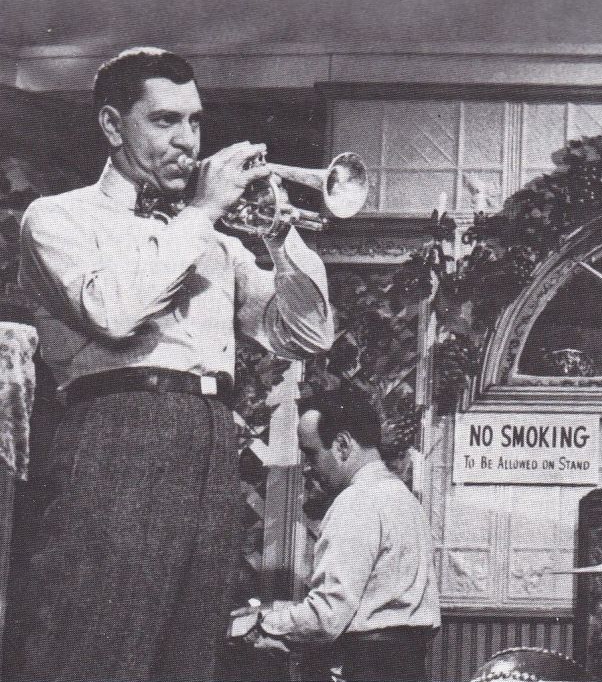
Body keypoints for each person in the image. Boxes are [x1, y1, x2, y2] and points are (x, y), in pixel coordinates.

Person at [12, 47, 335, 681]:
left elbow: (305, 334)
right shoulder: (58, 216)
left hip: (209, 438)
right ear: (113, 126)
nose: (187, 140)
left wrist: (279, 237)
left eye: (194, 121)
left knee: (188, 658)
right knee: (96, 652)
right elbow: (113, 310)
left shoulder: (213, 242)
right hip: (115, 434)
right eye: (164, 120)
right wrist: (202, 213)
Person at [237, 394, 440, 681]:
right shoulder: (405, 499)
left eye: (311, 453)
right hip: (409, 666)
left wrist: (263, 623)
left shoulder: (356, 501)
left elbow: (327, 615)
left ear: (343, 444)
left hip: (366, 668)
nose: (309, 467)